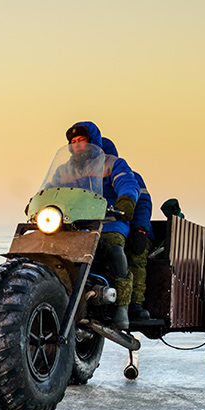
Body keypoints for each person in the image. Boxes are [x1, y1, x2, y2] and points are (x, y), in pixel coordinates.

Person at [56, 121, 140, 329]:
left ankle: (122, 305)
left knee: (114, 249)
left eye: (81, 141)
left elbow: (127, 182)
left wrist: (126, 200)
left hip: (108, 221)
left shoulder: (112, 163)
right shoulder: (64, 169)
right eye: (73, 142)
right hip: (75, 224)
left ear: (92, 142)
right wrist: (37, 201)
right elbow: (51, 187)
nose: (76, 145)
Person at [101, 137, 153, 321]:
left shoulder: (129, 175)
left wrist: (140, 230)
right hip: (98, 227)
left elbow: (143, 205)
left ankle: (135, 304)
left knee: (135, 256)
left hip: (131, 227)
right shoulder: (82, 178)